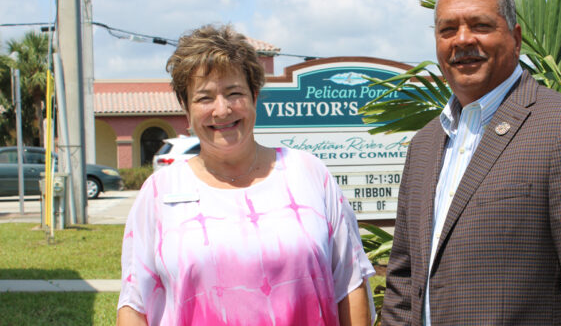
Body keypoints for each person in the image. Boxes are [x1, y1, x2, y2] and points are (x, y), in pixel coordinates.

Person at [382, 0, 561, 325]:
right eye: (447, 30)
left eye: (480, 25)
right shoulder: (426, 143)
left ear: (515, 38)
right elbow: (403, 277)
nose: (462, 40)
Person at [117, 24, 374, 326]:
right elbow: (135, 305)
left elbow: (350, 283)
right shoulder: (159, 192)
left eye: (234, 93)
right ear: (185, 107)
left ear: (254, 97)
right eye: (204, 98)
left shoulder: (308, 174)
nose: (222, 110)